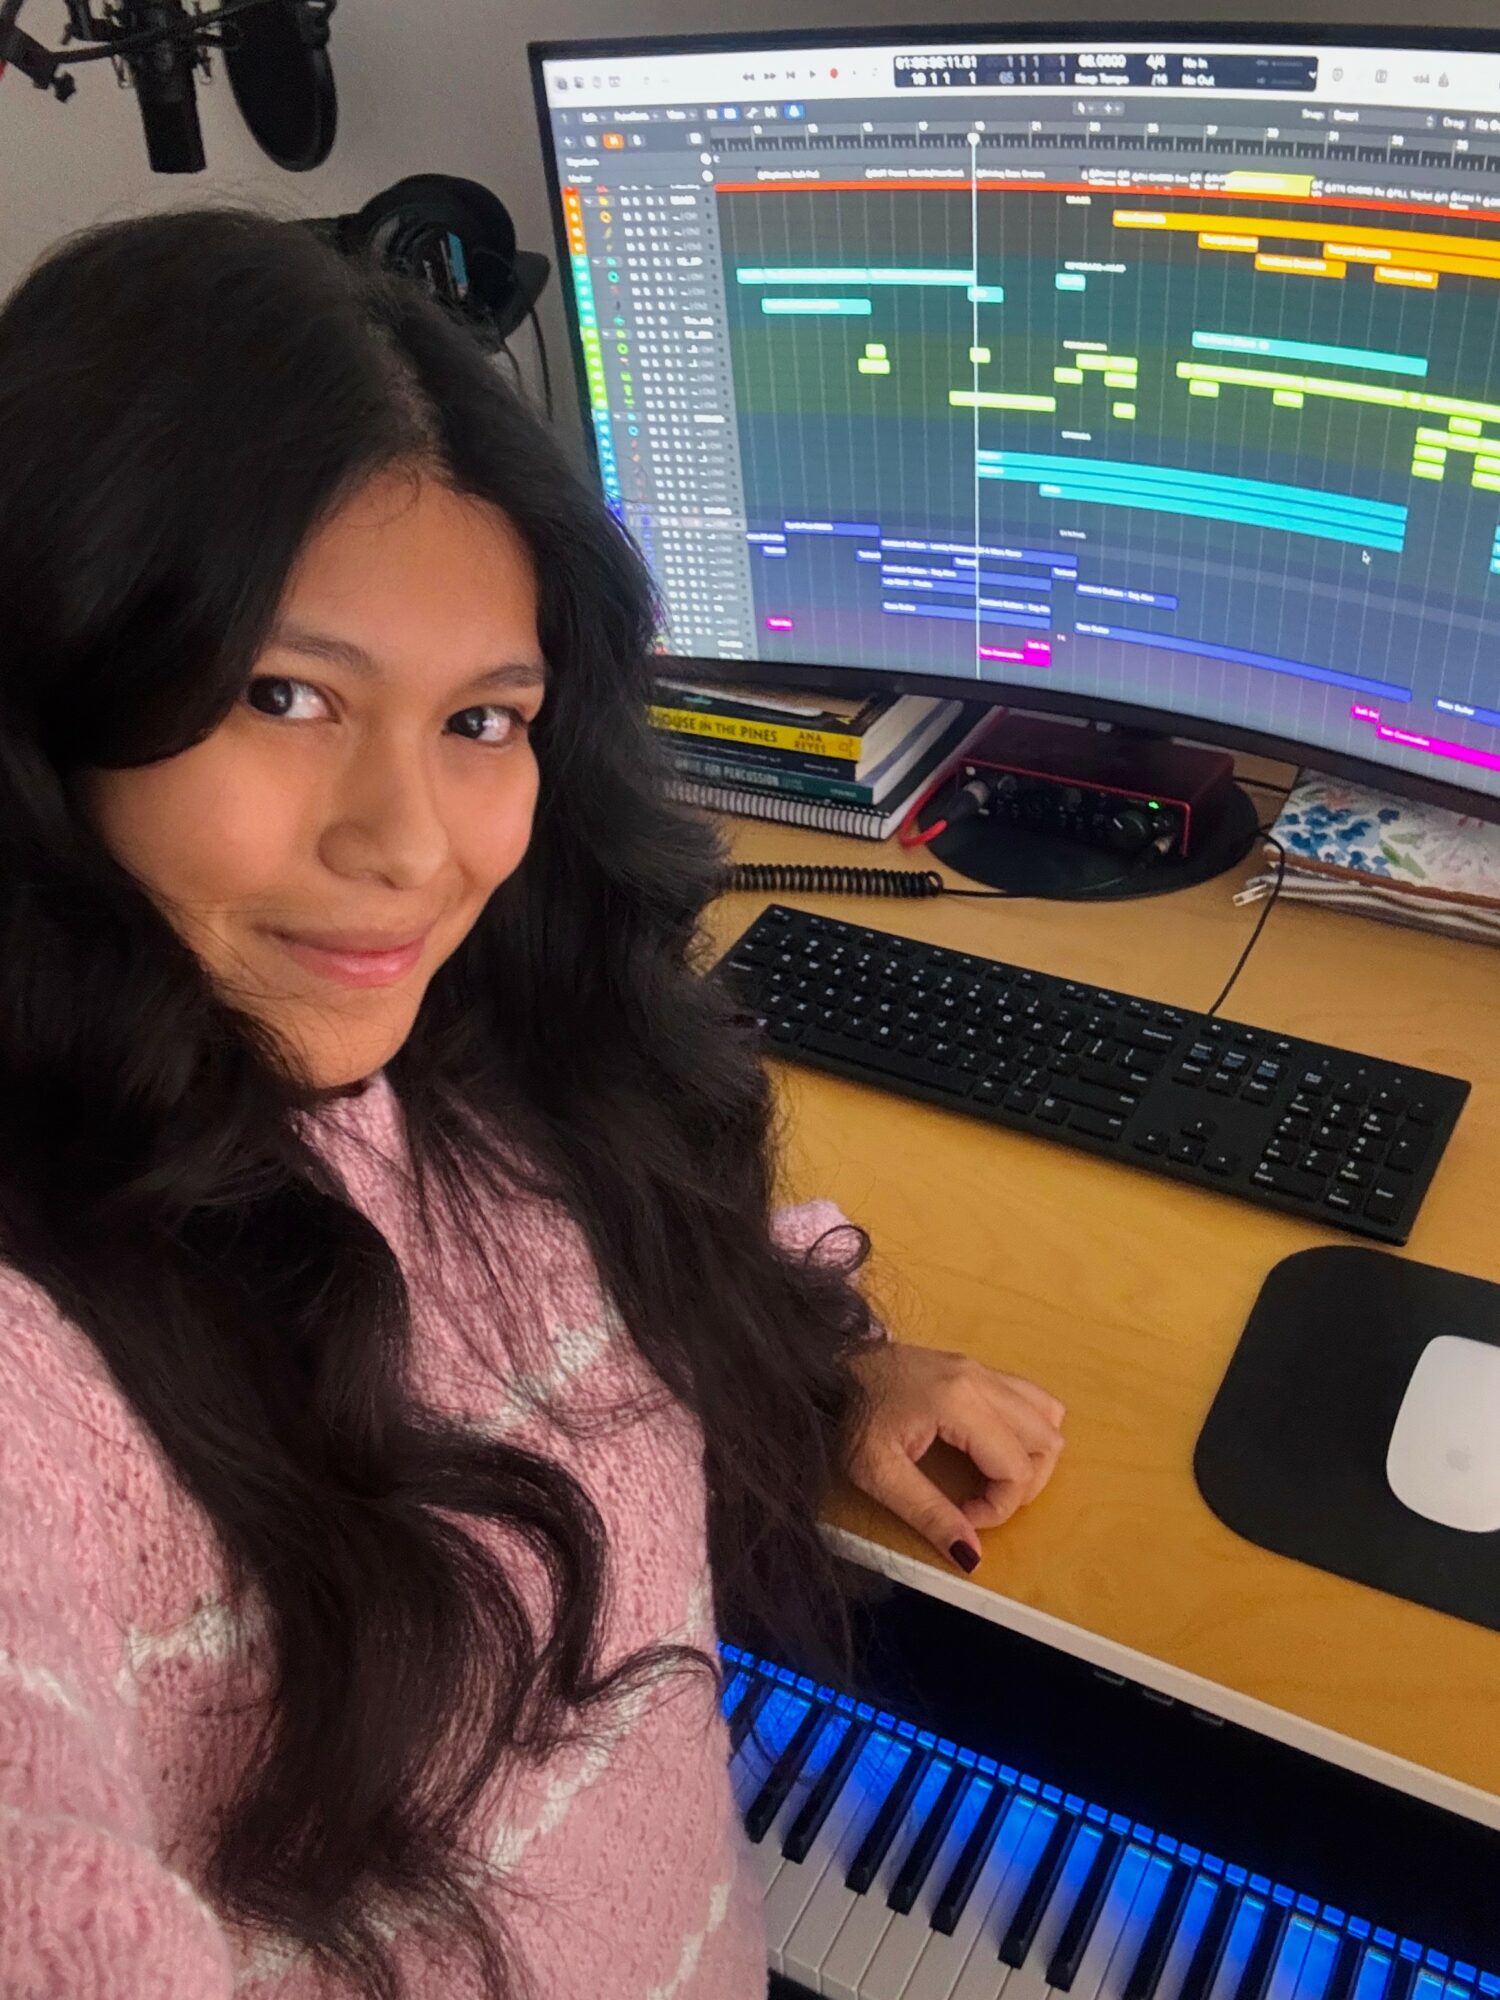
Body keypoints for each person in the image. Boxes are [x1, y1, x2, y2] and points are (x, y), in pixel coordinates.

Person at [0, 206, 1066, 2000]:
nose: (410, 849)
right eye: (285, 694)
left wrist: (821, 1360)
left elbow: (600, 1260)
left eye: (483, 720)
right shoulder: (43, 1356)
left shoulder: (476, 1053)